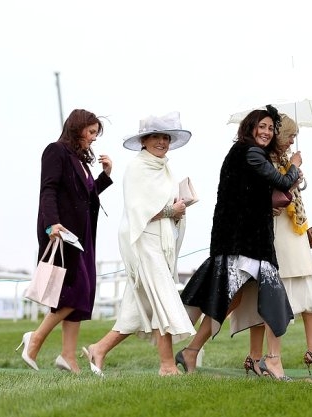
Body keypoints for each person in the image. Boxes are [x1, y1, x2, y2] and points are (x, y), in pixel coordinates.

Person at [178, 105, 302, 381]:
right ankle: (273, 361)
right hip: (245, 243)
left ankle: (190, 351)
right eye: (262, 127)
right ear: (250, 128)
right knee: (272, 297)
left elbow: (252, 193)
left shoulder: (245, 154)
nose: (267, 132)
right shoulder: (250, 152)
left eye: (271, 128)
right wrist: (294, 167)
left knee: (228, 301)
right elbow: (280, 180)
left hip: (243, 240)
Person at [82, 112, 196, 377]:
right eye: (156, 137)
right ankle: (167, 365)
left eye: (166, 137)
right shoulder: (137, 168)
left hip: (161, 241)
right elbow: (139, 210)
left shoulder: (165, 168)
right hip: (142, 241)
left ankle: (99, 349)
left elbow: (165, 205)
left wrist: (179, 207)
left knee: (138, 308)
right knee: (162, 299)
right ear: (144, 140)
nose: (162, 142)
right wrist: (172, 210)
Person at [244, 114, 312, 377]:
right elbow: (272, 192)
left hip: (294, 230)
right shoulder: (263, 158)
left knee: (306, 288)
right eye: (290, 135)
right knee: (273, 292)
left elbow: (291, 191)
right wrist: (292, 168)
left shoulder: (283, 159)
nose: (293, 140)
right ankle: (261, 357)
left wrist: (295, 172)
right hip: (276, 231)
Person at [16, 108, 113, 373]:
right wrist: (51, 224)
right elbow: (48, 189)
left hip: (83, 237)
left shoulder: (80, 160)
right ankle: (34, 339)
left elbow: (86, 196)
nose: (94, 138)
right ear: (77, 128)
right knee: (74, 292)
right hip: (61, 233)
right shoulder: (55, 151)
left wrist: (104, 176)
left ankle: (68, 356)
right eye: (91, 132)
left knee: (83, 296)